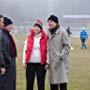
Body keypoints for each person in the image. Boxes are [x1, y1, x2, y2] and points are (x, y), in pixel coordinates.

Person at [23, 20, 49, 90]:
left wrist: (47, 63)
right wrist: (24, 62)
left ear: (41, 29)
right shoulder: (29, 38)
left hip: (41, 64)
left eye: (38, 27)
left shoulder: (45, 38)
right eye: (35, 27)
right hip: (30, 64)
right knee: (29, 83)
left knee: (40, 84)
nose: (36, 28)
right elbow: (25, 50)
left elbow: (48, 51)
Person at [47, 15, 70, 90]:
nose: (49, 23)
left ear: (56, 22)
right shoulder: (48, 33)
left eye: (51, 21)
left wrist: (60, 57)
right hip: (51, 62)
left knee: (62, 83)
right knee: (53, 84)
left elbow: (67, 46)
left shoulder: (63, 32)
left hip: (61, 63)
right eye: (48, 22)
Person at [0, 17, 17, 90]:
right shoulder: (2, 34)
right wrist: (9, 60)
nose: (12, 27)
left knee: (11, 83)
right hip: (7, 63)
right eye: (10, 25)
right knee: (6, 84)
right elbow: (2, 50)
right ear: (5, 25)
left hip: (10, 63)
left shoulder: (7, 34)